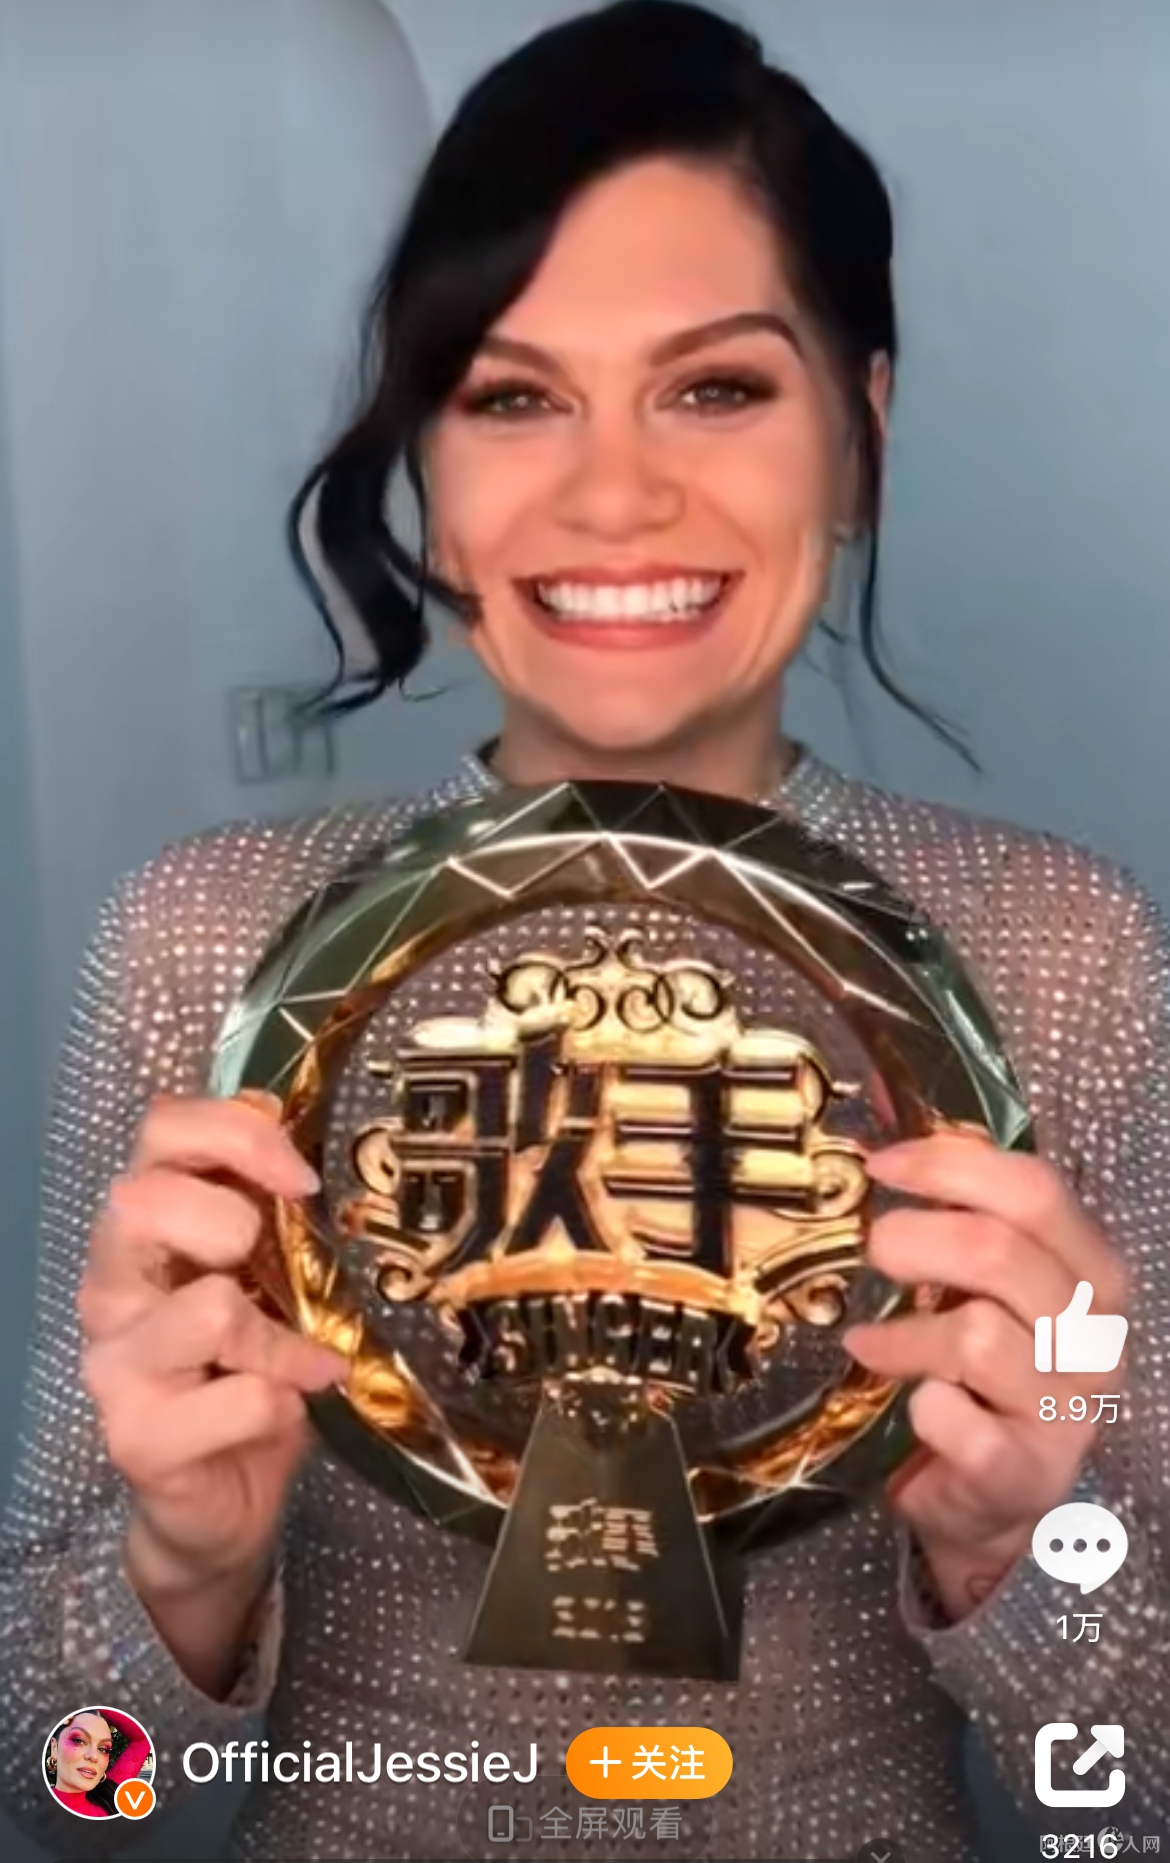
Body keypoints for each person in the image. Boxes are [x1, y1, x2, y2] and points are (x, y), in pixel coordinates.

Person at [0, 2, 1165, 1857]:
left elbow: (1136, 1792)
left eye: (716, 389)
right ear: (426, 462)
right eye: (512, 396)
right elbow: (69, 1794)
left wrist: (1022, 1549)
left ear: (856, 433)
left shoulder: (1049, 956)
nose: (615, 493)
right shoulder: (211, 951)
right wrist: (182, 1568)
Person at [44, 1707, 152, 1819]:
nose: (94, 1756)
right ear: (54, 1747)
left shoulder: (110, 1795)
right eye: (79, 1740)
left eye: (103, 1749)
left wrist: (95, 1706)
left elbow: (144, 1737)